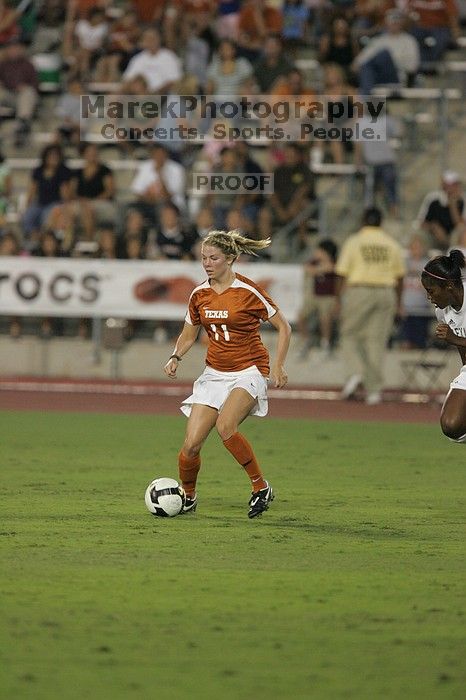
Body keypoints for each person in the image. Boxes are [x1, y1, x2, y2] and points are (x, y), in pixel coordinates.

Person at [163, 229, 291, 518]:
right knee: (191, 445)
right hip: (214, 373)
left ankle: (260, 487)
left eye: (214, 258)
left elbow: (284, 326)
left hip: (249, 369)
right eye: (203, 258)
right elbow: (188, 335)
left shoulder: (248, 291)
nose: (207, 263)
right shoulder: (199, 294)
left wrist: (279, 364)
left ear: (231, 259)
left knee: (226, 426)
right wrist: (175, 356)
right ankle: (189, 497)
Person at [335, 207, 406, 405]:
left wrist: (337, 300)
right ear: (380, 222)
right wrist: (399, 303)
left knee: (349, 335)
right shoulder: (391, 244)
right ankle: (374, 391)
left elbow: (341, 273)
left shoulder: (354, 241)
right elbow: (400, 277)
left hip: (360, 290)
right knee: (376, 342)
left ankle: (355, 372)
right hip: (386, 292)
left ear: (363, 221)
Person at [421, 249, 466, 442]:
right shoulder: (442, 311)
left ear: (448, 286)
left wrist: (455, 338)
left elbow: (457, 340)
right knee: (451, 425)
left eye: (431, 291)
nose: (429, 298)